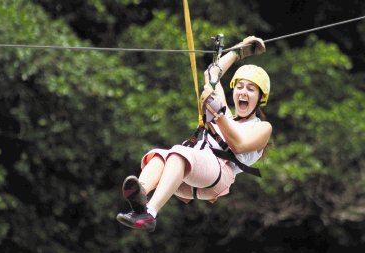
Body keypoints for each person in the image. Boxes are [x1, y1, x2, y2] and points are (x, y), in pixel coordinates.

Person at [116, 36, 272, 232]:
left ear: (260, 98)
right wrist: (238, 51)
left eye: (250, 89)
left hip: (219, 174)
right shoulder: (226, 114)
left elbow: (238, 145)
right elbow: (212, 73)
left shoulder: (262, 127)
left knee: (179, 154)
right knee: (158, 156)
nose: (243, 92)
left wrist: (216, 111)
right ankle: (141, 197)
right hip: (189, 176)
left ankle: (150, 213)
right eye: (239, 87)